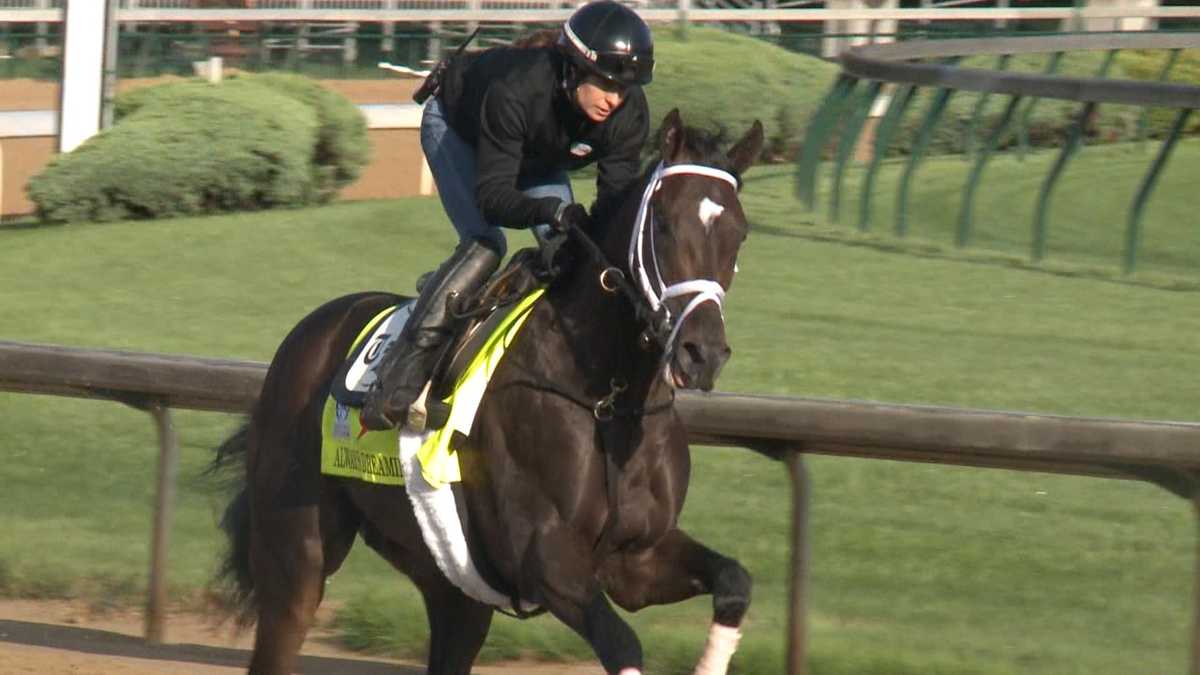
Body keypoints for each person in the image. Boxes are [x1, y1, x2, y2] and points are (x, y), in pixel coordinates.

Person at [360, 0, 656, 431]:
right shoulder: (517, 90)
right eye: (607, 84)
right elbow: (494, 198)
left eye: (625, 88)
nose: (615, 99)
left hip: (539, 152)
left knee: (576, 251)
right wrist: (551, 209)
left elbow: (612, 209)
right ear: (573, 68)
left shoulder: (627, 113)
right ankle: (399, 378)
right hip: (458, 131)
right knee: (485, 244)